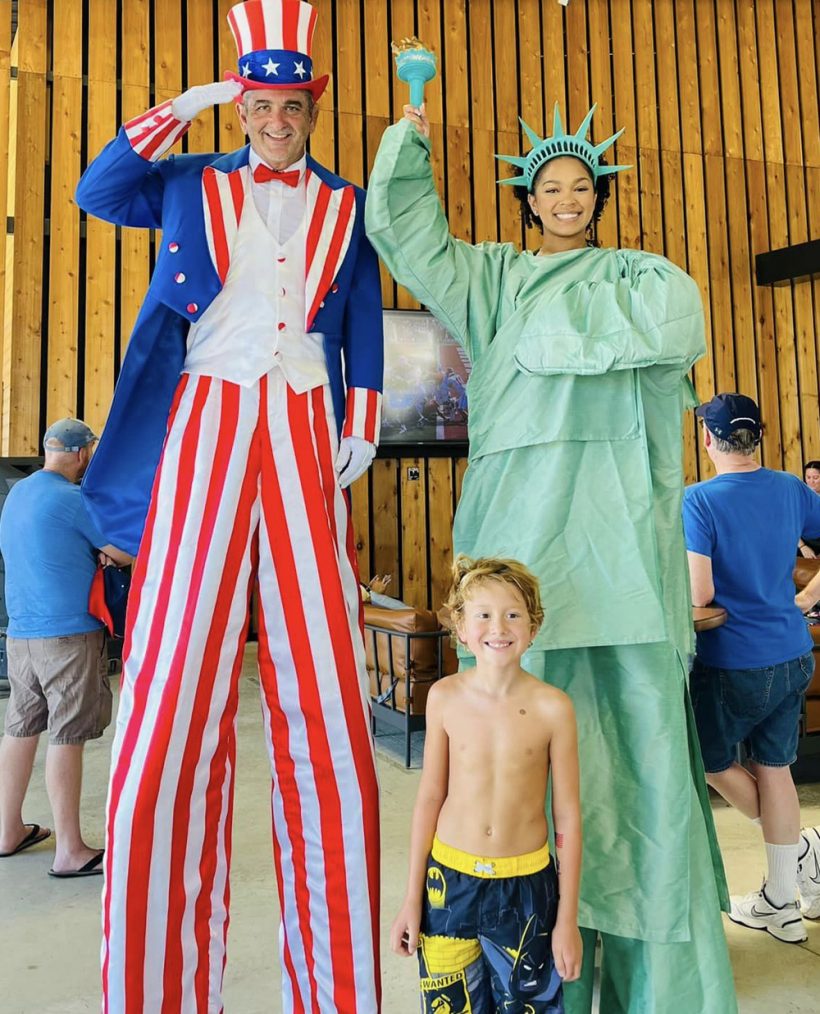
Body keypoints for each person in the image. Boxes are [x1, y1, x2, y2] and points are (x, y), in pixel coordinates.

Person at [366, 102, 736, 1012]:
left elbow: (677, 325)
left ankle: (652, 984)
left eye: (579, 187)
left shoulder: (642, 275)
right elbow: (407, 233)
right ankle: (513, 961)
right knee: (501, 736)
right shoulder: (492, 278)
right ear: (529, 202)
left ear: (597, 197)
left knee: (640, 753)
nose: (564, 199)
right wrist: (408, 133)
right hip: (518, 530)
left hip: (621, 545)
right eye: (548, 189)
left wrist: (545, 344)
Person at [74, 2, 384, 1010]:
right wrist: (187, 105)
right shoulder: (185, 182)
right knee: (168, 689)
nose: (274, 119)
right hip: (203, 416)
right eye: (257, 102)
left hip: (302, 417)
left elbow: (363, 317)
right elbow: (96, 189)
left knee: (330, 694)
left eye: (288, 103)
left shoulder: (345, 201)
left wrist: (364, 416)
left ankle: (337, 991)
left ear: (307, 108)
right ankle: (157, 988)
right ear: (241, 103)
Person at [392, 556, 581, 1013]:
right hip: (447, 885)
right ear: (460, 627)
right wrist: (411, 899)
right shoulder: (444, 697)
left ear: (534, 627)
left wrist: (567, 920)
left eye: (513, 614)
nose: (499, 626)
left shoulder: (554, 708)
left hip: (527, 889)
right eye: (483, 615)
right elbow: (431, 798)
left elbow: (569, 818)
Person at [683, 392, 820, 941]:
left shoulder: (698, 500)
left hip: (732, 660)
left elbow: (701, 592)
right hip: (792, 650)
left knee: (714, 763)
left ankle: (801, 854)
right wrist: (807, 601)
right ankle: (784, 895)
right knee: (776, 768)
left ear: (709, 440)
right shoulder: (791, 488)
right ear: (758, 437)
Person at [0, 419, 130, 877]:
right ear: (83, 454)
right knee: (67, 734)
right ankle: (70, 851)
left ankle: (7, 830)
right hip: (68, 635)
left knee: (21, 725)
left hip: (21, 635)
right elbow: (125, 551)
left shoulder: (19, 492)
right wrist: (110, 552)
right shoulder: (74, 500)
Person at [798, 460, 820, 557]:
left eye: (815, 478)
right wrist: (803, 547)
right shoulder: (799, 498)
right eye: (808, 477)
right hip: (802, 541)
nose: (811, 481)